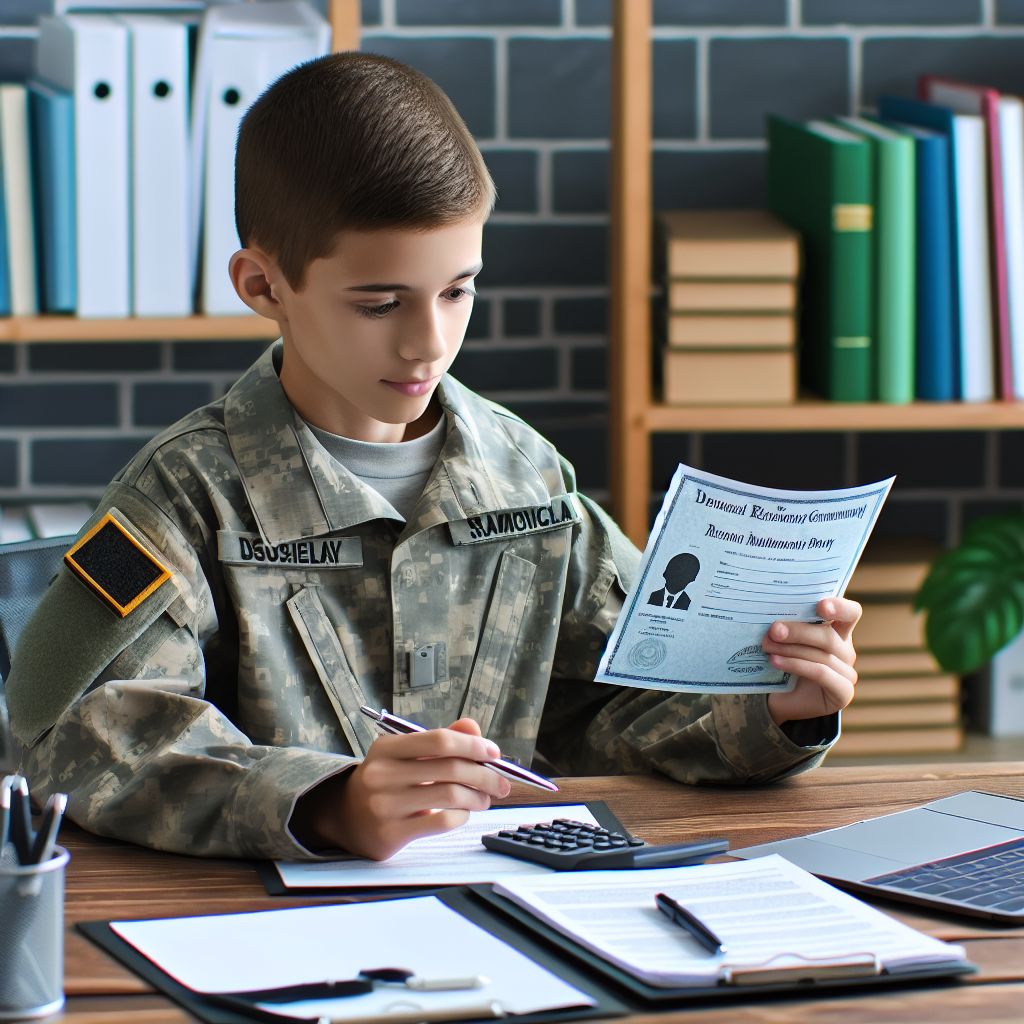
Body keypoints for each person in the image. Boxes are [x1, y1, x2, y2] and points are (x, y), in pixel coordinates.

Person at [5, 53, 861, 863]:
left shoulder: (526, 478)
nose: (430, 342)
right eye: (380, 303)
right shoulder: (183, 497)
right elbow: (76, 734)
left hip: (516, 917)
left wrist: (773, 709)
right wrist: (325, 802)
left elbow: (618, 710)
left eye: (458, 291)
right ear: (263, 286)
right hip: (262, 938)